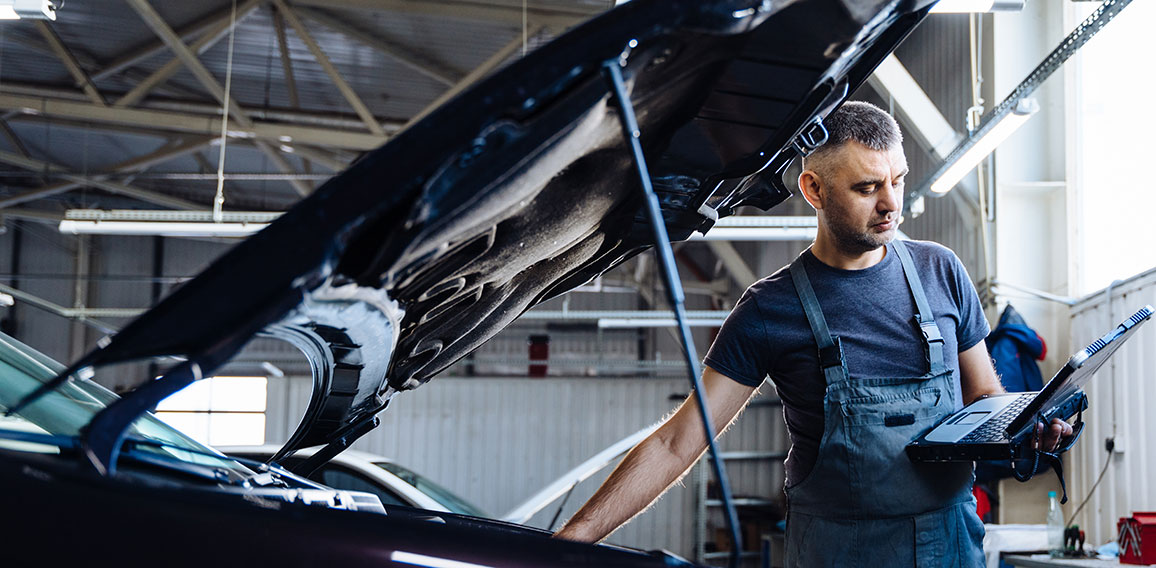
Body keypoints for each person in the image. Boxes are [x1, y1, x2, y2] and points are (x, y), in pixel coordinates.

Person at [554, 101, 1073, 566]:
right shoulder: (769, 309)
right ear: (813, 189)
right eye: (867, 187)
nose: (891, 203)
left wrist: (1026, 425)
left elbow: (984, 397)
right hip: (835, 552)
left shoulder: (942, 271)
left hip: (949, 545)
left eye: (898, 178)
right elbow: (676, 442)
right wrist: (570, 541)